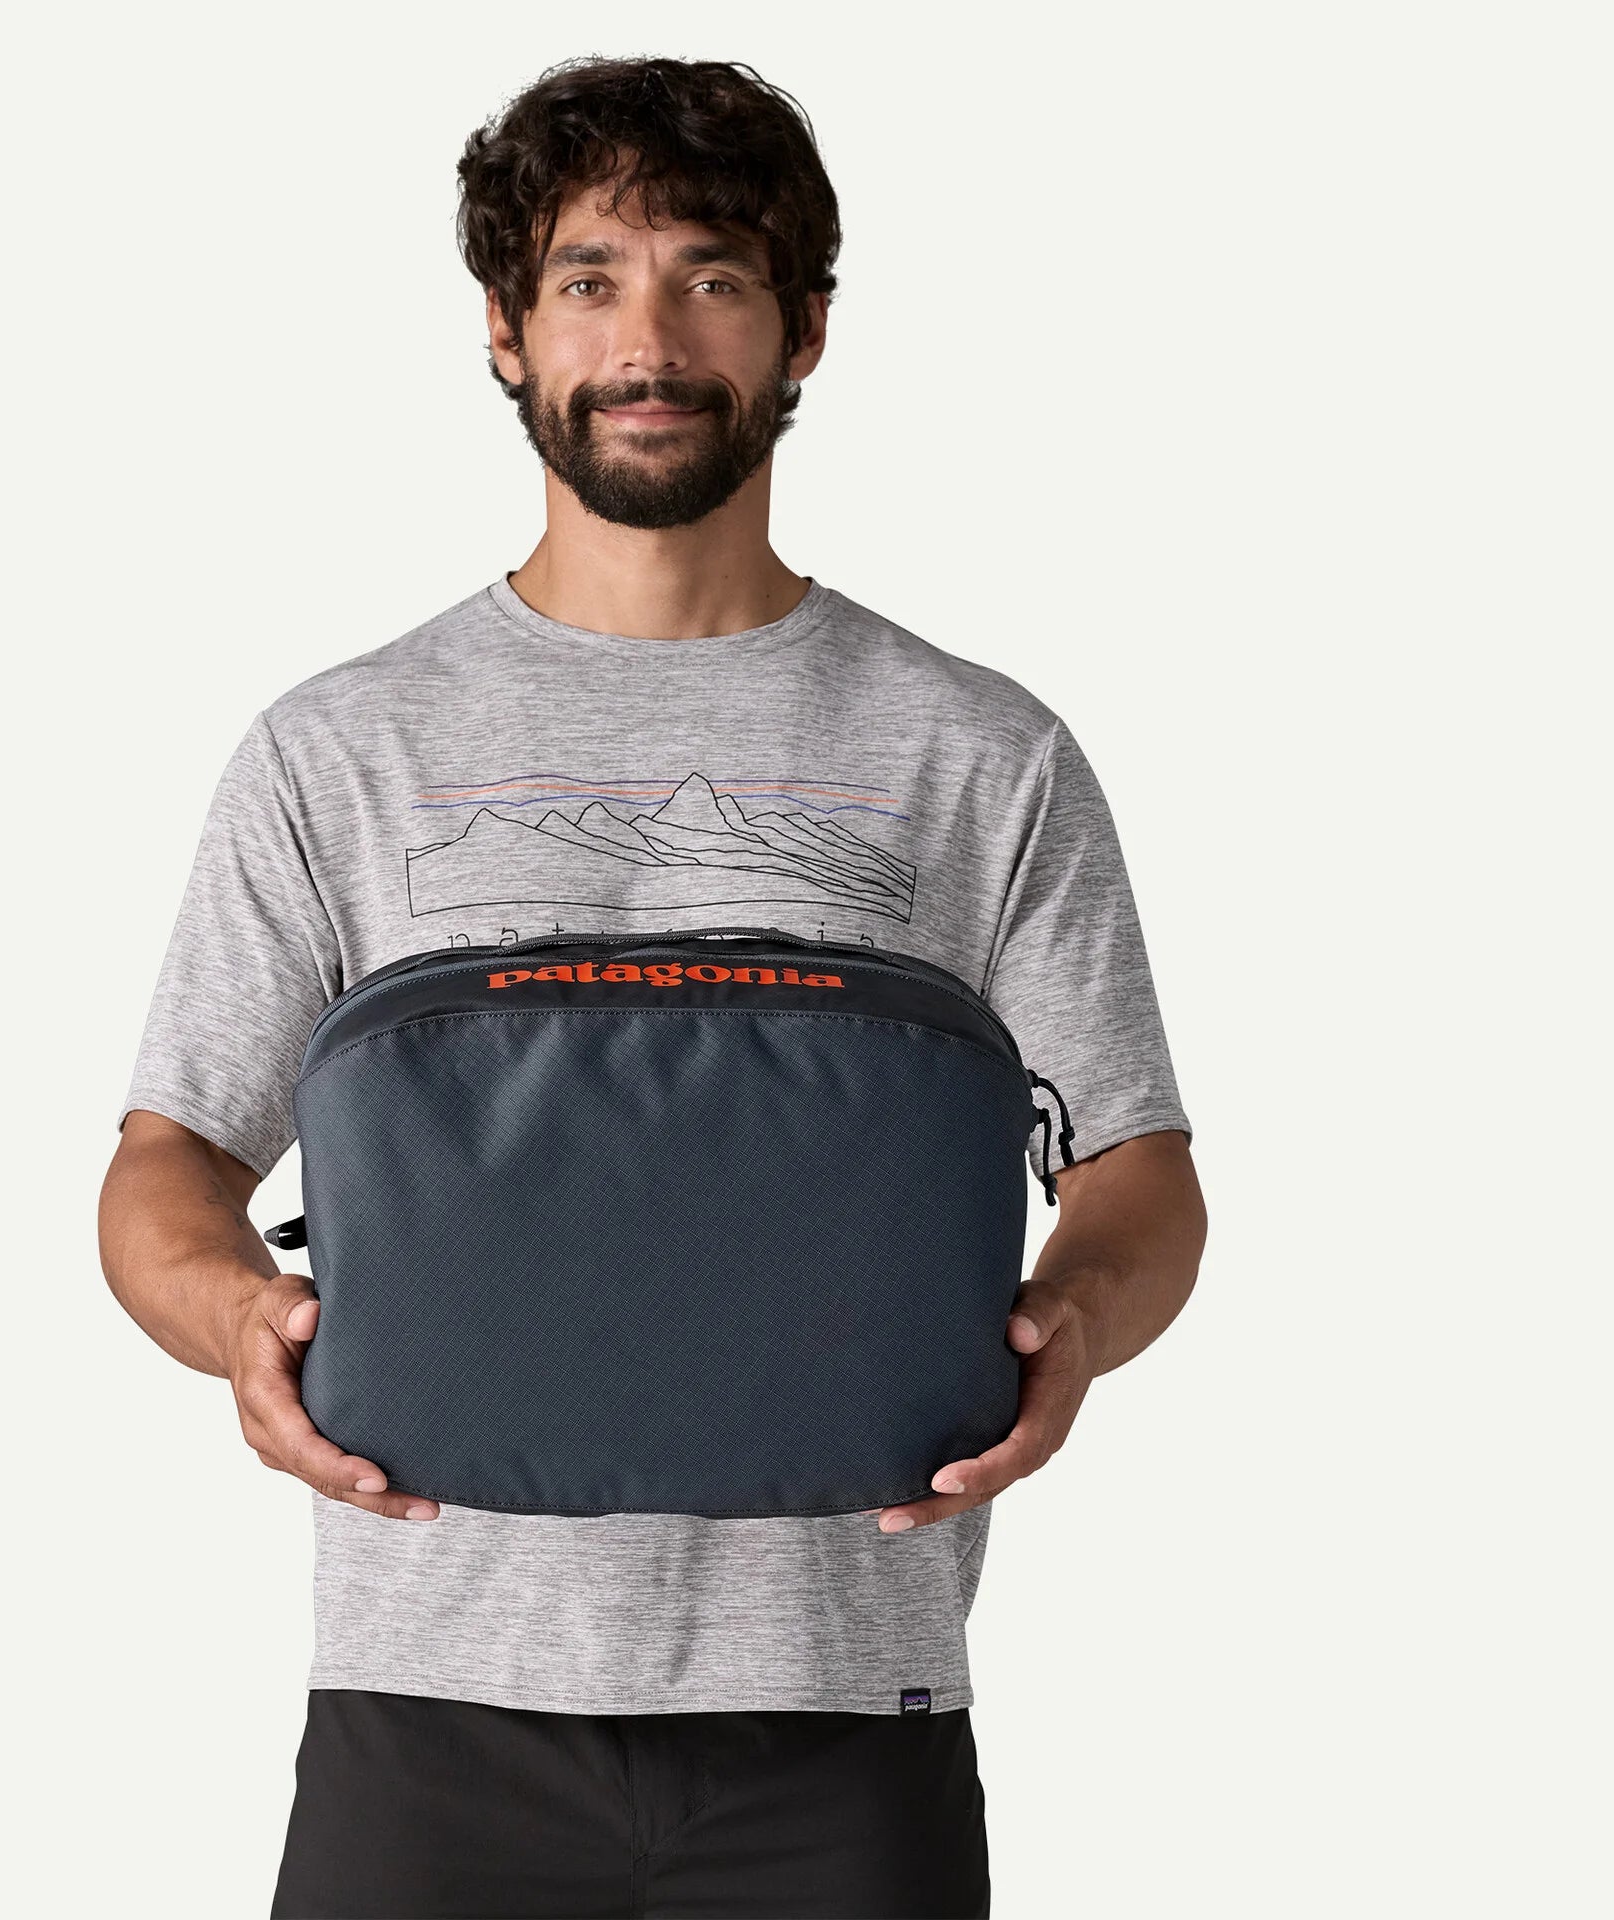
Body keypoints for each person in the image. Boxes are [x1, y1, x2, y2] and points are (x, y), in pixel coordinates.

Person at [98, 53, 1207, 1920]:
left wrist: (1072, 1322)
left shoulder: (979, 751)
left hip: (846, 1704)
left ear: (805, 330)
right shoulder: (337, 750)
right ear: (506, 332)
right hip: (425, 1698)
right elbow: (165, 1160)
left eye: (713, 277)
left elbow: (1138, 1171)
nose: (649, 339)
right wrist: (237, 1324)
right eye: (589, 279)